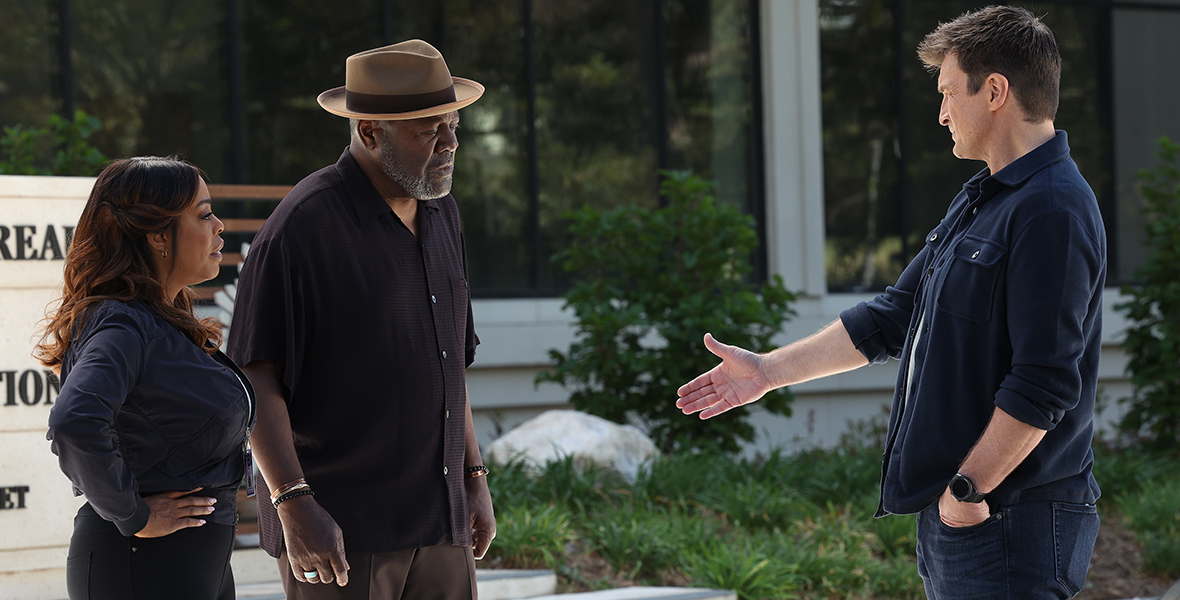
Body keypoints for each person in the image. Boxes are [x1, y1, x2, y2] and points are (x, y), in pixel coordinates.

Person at [677, 6, 1104, 599]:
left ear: (997, 91)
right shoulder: (986, 198)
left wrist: (965, 495)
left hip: (1008, 520)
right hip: (969, 517)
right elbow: (894, 316)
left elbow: (1045, 382)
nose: (942, 112)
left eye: (950, 92)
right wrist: (768, 372)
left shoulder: (1052, 210)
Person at [227, 39, 495, 600]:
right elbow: (253, 376)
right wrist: (292, 503)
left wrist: (474, 478)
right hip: (342, 533)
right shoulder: (302, 227)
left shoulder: (443, 210)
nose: (449, 145)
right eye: (429, 132)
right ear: (370, 131)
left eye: (453, 127)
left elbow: (450, 363)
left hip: (441, 525)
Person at [39, 157, 255, 600]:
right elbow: (74, 422)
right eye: (203, 214)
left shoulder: (160, 319)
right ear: (158, 235)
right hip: (144, 564)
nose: (219, 226)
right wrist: (134, 515)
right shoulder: (124, 324)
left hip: (192, 562)